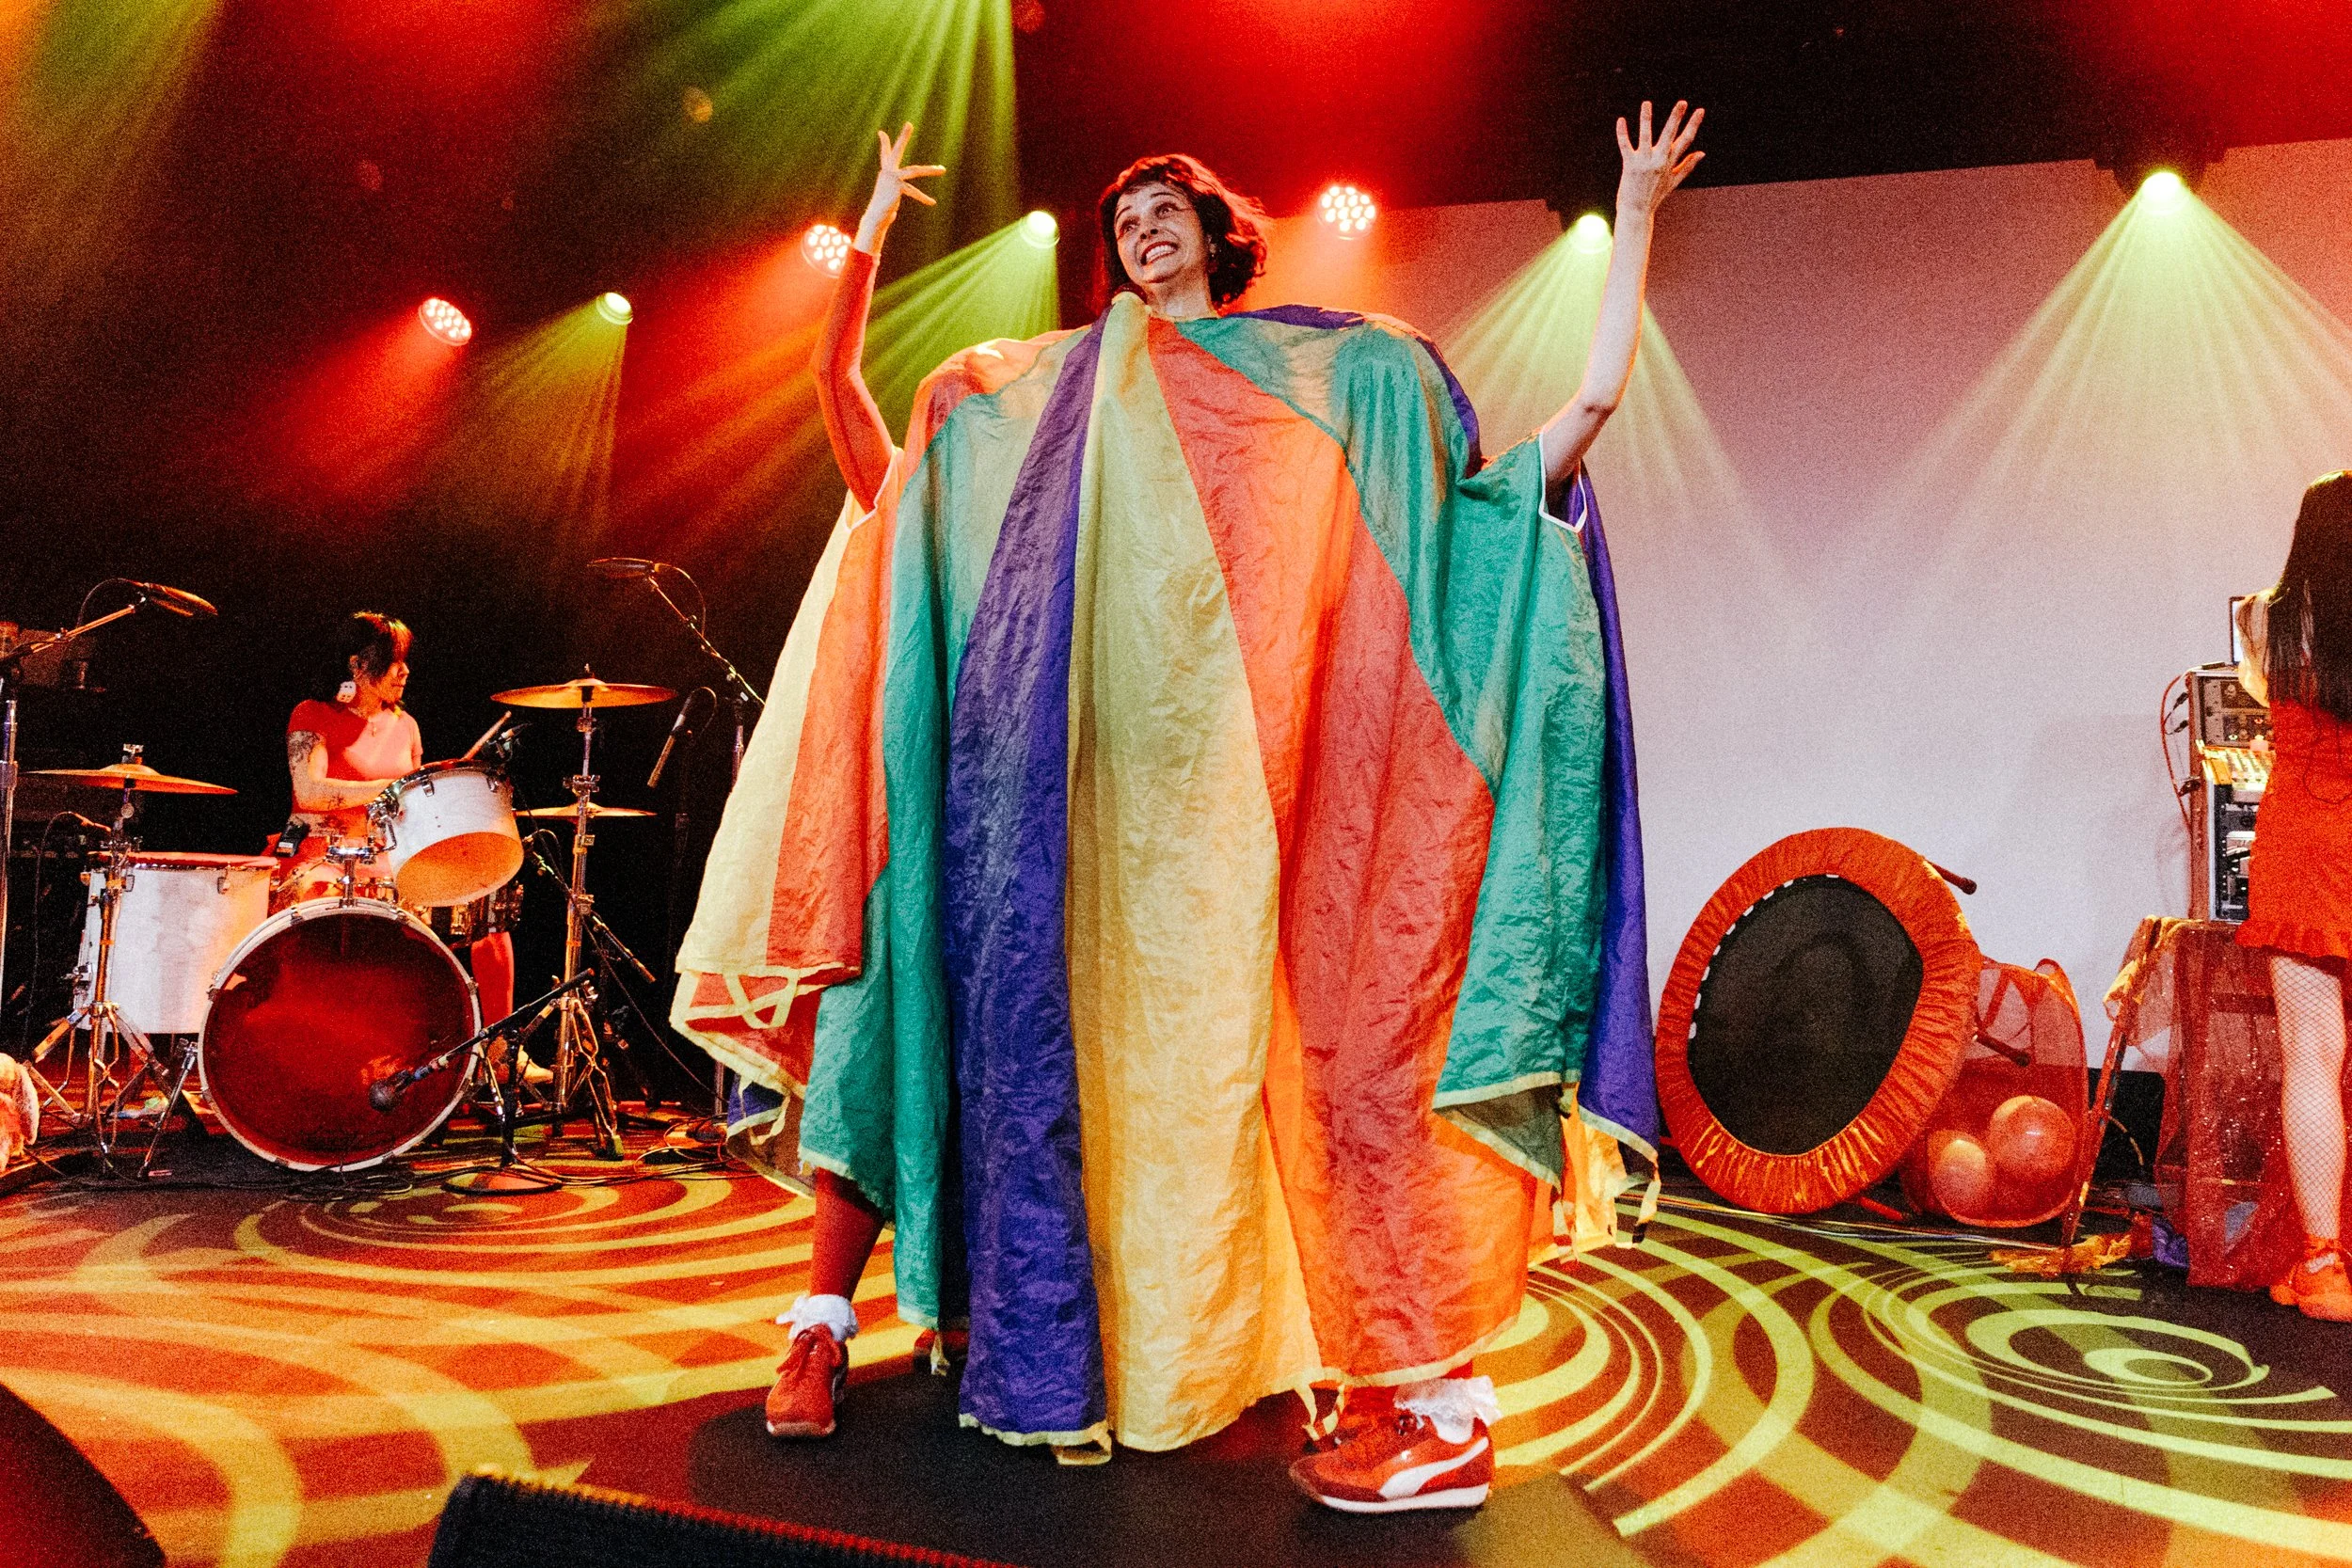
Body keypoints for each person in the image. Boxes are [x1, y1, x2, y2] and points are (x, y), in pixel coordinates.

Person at [674, 104, 1698, 1509]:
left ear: (1221, 231)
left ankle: (1435, 1399)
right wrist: (860, 246)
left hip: (1237, 825)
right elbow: (863, 428)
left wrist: (1633, 222)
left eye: (1170, 201)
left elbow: (1537, 462)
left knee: (1338, 1043)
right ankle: (843, 1319)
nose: (1140, 219)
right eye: (1121, 213)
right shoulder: (1032, 398)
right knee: (967, 1027)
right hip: (1053, 808)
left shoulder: (1328, 381)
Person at [2235, 470, 2352, 1324]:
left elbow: (2256, 697)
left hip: (2301, 840)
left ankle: (2321, 1264)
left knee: (2313, 1051)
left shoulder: (2264, 618)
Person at [282, 612, 516, 1026]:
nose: (404, 670)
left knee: (487, 895)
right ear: (357, 665)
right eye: (393, 660)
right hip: (324, 853)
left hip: (388, 856)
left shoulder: (405, 725)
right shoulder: (312, 713)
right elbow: (310, 792)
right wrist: (397, 784)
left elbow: (414, 810)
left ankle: (495, 1043)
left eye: (405, 660)